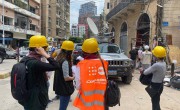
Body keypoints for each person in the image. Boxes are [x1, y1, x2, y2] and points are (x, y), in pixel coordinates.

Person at [22, 35, 59, 110]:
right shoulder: (35, 63)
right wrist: (45, 54)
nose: (45, 49)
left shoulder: (25, 59)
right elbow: (56, 66)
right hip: (36, 100)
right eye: (44, 48)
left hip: (28, 97)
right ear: (38, 49)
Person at [73, 38, 108, 110]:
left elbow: (78, 86)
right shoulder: (104, 62)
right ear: (96, 51)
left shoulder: (81, 65)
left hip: (87, 105)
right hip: (102, 103)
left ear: (83, 52)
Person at [143, 46, 166, 110]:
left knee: (155, 103)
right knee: (156, 101)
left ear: (156, 56)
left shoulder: (156, 65)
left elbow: (145, 72)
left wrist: (142, 70)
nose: (153, 56)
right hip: (160, 85)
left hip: (155, 85)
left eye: (154, 55)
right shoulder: (164, 63)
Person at [53, 40, 75, 110]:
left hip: (60, 87)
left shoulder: (59, 59)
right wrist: (74, 77)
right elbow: (66, 78)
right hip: (64, 89)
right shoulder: (65, 61)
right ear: (69, 52)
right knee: (62, 108)